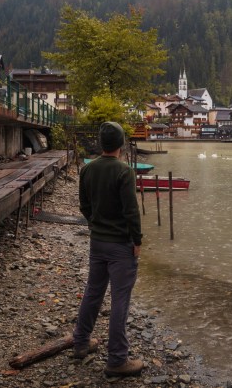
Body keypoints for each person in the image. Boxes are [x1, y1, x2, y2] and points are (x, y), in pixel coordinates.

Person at [73, 121, 143, 378]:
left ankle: (80, 343)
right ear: (122, 144)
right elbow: (131, 212)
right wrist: (137, 241)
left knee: (93, 291)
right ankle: (117, 360)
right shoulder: (124, 171)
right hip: (120, 246)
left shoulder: (87, 170)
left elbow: (84, 205)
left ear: (101, 144)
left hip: (98, 242)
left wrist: (94, 224)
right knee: (120, 300)